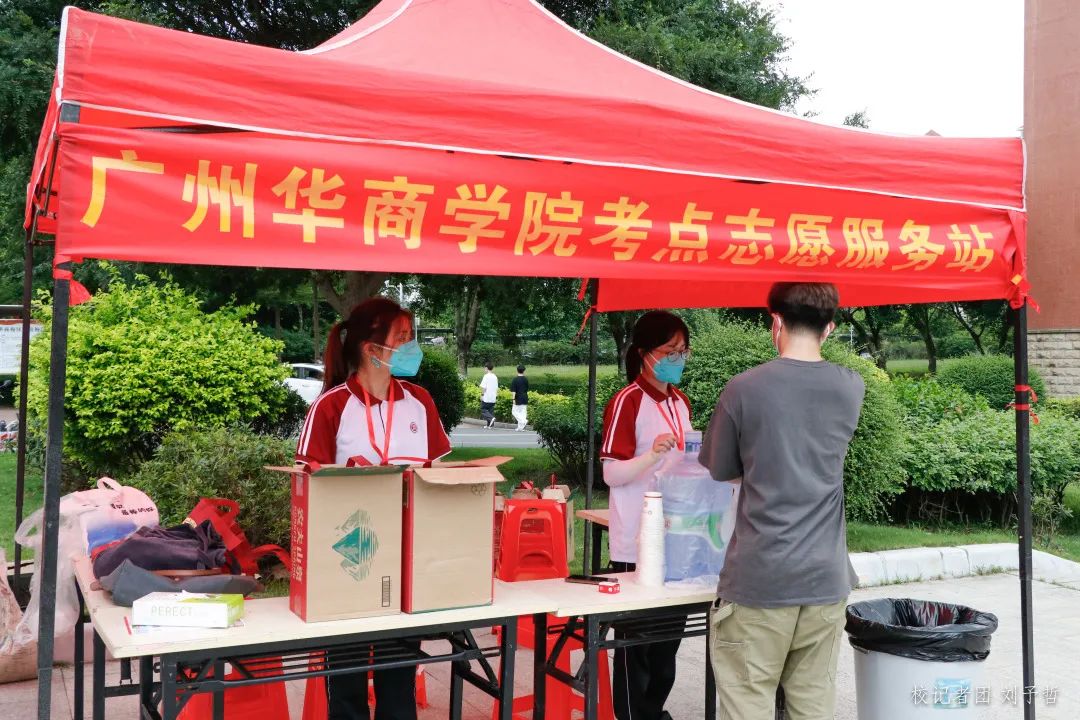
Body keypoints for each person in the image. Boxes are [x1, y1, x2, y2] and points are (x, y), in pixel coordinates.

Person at [699, 283, 865, 720]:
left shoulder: (743, 389)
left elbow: (721, 469)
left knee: (748, 703)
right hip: (825, 579)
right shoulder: (851, 386)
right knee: (812, 707)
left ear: (776, 322)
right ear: (829, 328)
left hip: (761, 577)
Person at [296, 297, 451, 720]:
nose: (411, 346)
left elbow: (437, 474)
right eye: (402, 338)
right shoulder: (331, 406)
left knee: (398, 676)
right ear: (371, 348)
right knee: (346, 680)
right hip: (347, 559)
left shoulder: (420, 401)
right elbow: (306, 486)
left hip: (406, 556)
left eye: (411, 336)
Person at [600, 311, 692, 720]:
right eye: (670, 351)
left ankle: (654, 713)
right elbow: (611, 474)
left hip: (677, 537)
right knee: (634, 649)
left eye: (683, 351)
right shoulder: (628, 401)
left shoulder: (680, 402)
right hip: (635, 541)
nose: (678, 359)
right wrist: (650, 455)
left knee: (666, 647)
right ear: (644, 353)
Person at [509, 365, 529, 431]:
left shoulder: (515, 380)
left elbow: (513, 391)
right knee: (523, 413)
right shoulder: (526, 379)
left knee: (514, 412)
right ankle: (520, 428)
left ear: (517, 370)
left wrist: (513, 399)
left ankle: (523, 421)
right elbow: (526, 389)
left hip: (518, 398)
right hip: (525, 397)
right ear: (524, 371)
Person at [479, 362, 498, 429]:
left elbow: (484, 387)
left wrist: (482, 395)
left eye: (485, 368)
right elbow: (496, 387)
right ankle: (490, 425)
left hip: (487, 396)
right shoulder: (495, 376)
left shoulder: (486, 376)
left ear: (486, 368)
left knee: (483, 409)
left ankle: (491, 418)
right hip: (493, 397)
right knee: (490, 410)